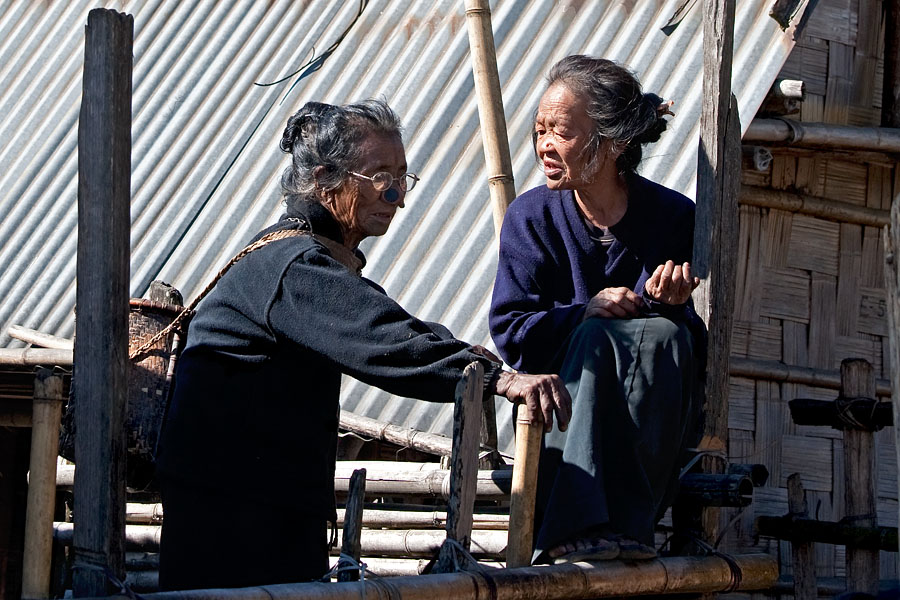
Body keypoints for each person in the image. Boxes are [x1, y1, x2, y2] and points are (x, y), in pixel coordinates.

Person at [156, 99, 571, 590]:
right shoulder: (295, 267)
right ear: (327, 178)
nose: (396, 194)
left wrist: (473, 360)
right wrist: (498, 377)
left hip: (261, 507)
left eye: (402, 176)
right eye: (379, 176)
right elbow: (383, 340)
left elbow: (387, 319)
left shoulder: (309, 258)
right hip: (234, 521)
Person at [489, 56, 705, 564]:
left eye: (560, 132)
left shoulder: (675, 216)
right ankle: (576, 525)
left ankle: (623, 525)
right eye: (540, 130)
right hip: (564, 397)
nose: (544, 145)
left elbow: (688, 340)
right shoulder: (531, 217)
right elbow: (512, 331)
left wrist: (671, 304)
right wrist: (584, 312)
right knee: (593, 337)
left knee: (669, 338)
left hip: (648, 402)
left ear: (613, 143)